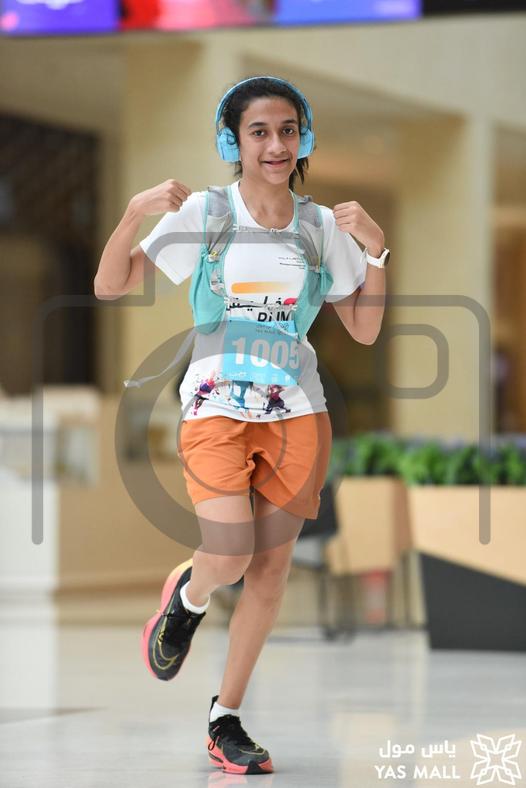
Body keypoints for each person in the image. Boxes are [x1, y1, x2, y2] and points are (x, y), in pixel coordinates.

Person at [94, 75, 389, 775]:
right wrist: (134, 213)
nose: (276, 145)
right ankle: (189, 597)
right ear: (233, 143)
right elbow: (111, 284)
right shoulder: (207, 212)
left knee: (271, 570)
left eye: (288, 130)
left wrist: (377, 252)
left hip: (299, 413)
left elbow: (365, 328)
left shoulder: (322, 226)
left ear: (304, 138)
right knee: (228, 555)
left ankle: (224, 716)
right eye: (259, 132)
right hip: (215, 407)